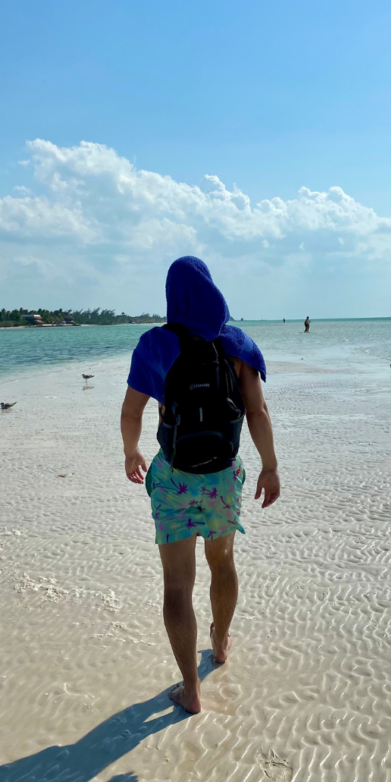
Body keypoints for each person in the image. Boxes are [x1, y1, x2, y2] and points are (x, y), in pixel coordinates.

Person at [120, 257, 280, 714]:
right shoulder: (236, 343)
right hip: (223, 478)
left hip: (174, 478)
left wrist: (132, 451)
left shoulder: (155, 344)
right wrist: (270, 467)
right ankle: (221, 642)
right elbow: (257, 413)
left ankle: (190, 689)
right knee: (222, 561)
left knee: (177, 585)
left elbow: (131, 412)